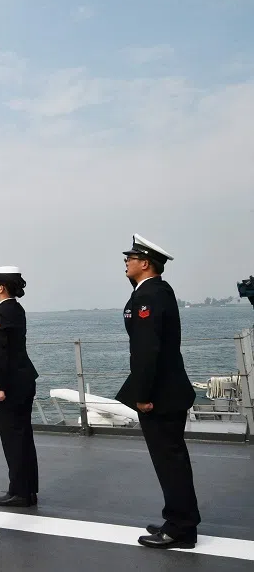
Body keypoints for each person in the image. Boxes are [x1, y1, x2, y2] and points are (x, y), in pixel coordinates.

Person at [115, 234, 200, 549]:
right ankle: (177, 520)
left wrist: (143, 394)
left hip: (160, 396)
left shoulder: (150, 294)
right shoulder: (152, 292)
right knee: (170, 461)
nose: (126, 262)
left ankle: (181, 528)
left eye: (131, 258)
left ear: (145, 263)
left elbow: (147, 350)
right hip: (166, 391)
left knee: (170, 462)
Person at [0, 266, 39, 508]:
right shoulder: (18, 310)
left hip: (11, 386)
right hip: (25, 380)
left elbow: (0, 355)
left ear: (2, 287)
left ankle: (19, 492)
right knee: (24, 436)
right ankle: (29, 490)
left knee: (13, 439)